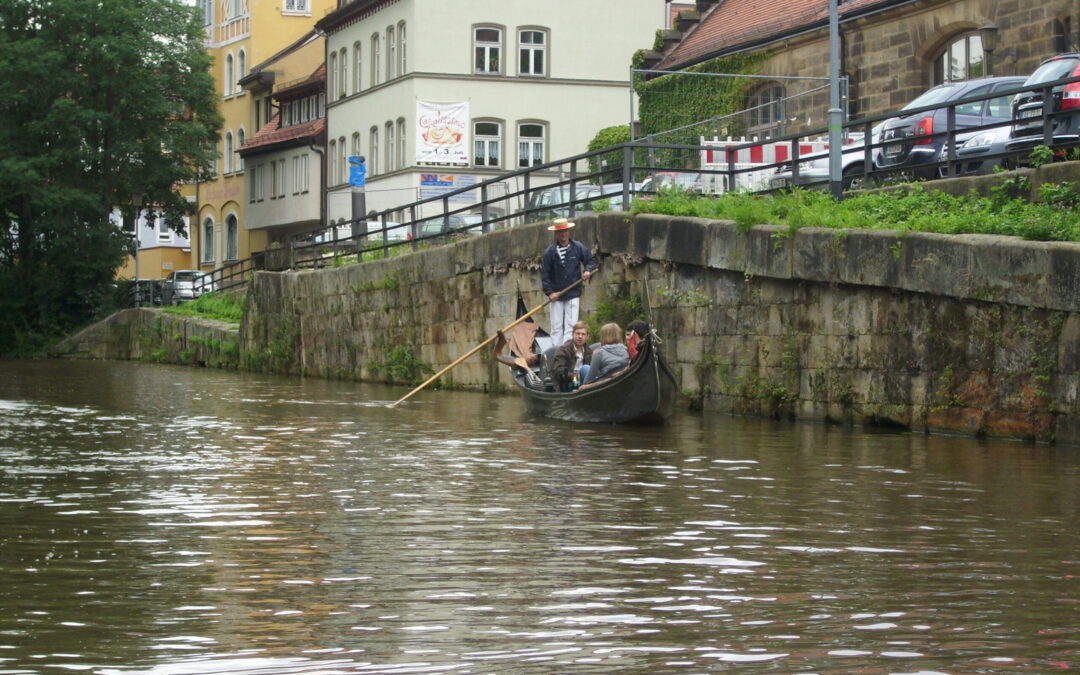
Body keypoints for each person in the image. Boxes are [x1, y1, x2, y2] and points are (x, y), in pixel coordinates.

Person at [541, 218, 596, 348]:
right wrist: (550, 293)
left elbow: (591, 261)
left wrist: (587, 271)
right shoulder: (550, 252)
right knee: (556, 326)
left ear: (568, 231)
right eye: (560, 232)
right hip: (556, 295)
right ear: (556, 234)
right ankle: (556, 352)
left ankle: (568, 351)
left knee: (571, 326)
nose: (563, 234)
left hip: (573, 292)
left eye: (565, 231)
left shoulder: (578, 247)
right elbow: (545, 276)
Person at [582, 322, 630, 386]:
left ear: (603, 336)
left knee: (585, 368)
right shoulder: (627, 351)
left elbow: (588, 381)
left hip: (605, 386)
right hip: (622, 384)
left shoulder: (599, 353)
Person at [551, 321, 593, 391]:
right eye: (577, 333)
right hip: (568, 383)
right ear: (572, 334)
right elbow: (559, 372)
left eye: (583, 334)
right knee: (584, 370)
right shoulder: (563, 350)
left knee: (587, 369)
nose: (580, 336)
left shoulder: (589, 351)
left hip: (585, 382)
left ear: (587, 337)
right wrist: (575, 376)